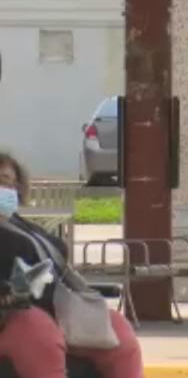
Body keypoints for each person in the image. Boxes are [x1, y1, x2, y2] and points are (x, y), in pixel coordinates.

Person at [0, 152, 143, 378]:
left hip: (57, 307)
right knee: (39, 333)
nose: (2, 188)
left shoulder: (22, 225)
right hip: (11, 315)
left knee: (118, 329)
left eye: (6, 181)